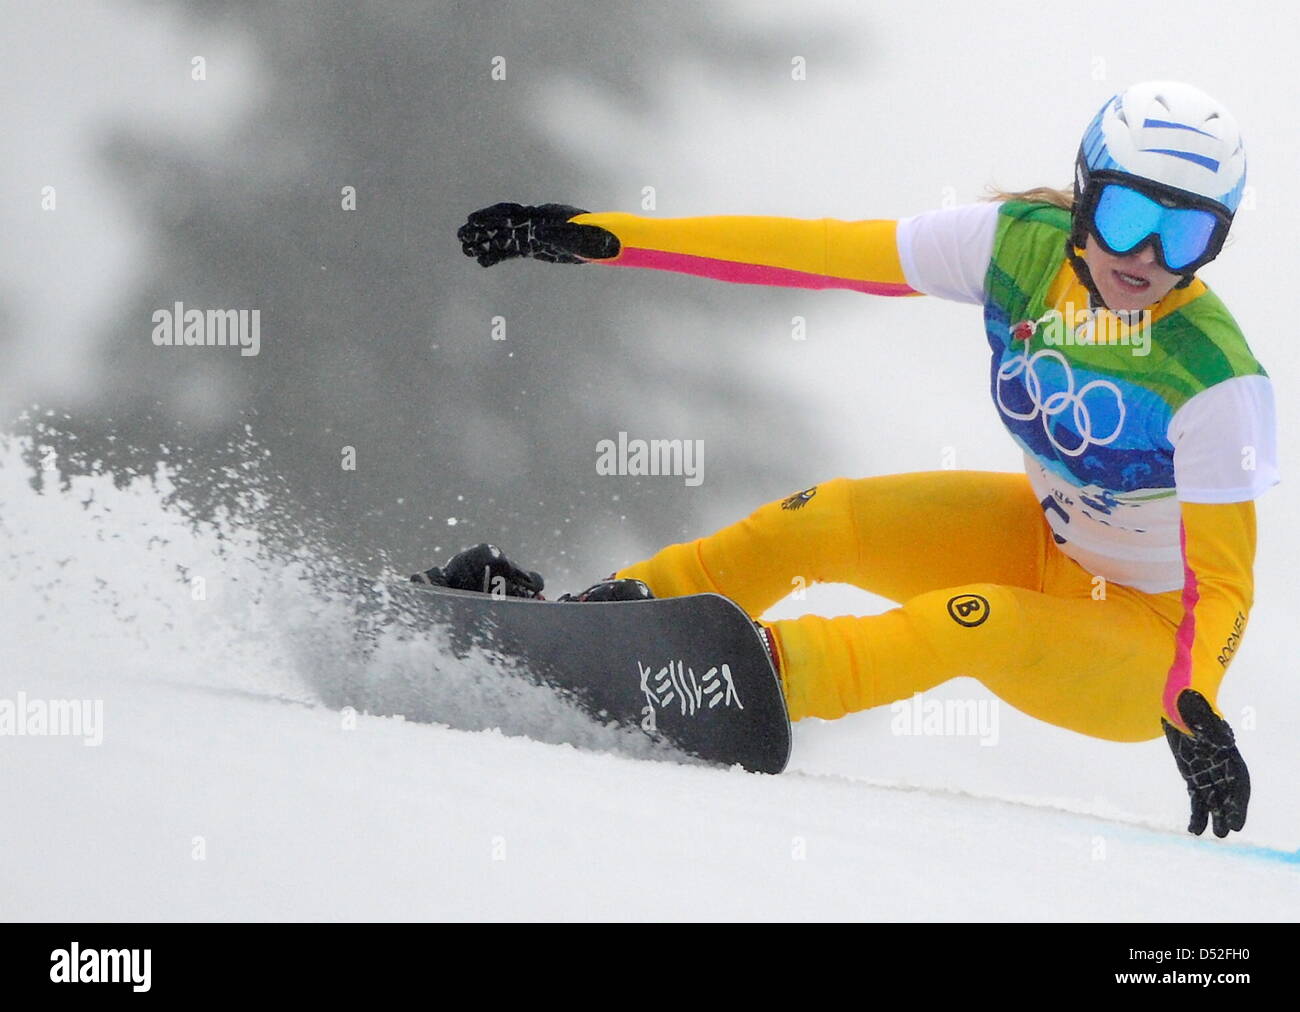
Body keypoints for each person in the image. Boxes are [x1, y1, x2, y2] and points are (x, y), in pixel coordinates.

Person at [435, 80, 1276, 838]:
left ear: (1216, 244)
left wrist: (1194, 704)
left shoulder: (1215, 380)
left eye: (1185, 233)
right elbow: (824, 250)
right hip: (1049, 544)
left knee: (972, 617)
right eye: (1131, 216)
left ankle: (740, 686)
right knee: (831, 518)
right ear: (1088, 197)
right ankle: (602, 619)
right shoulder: (1017, 247)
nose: (1146, 258)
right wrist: (608, 237)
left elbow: (1225, 584)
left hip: (1145, 645)